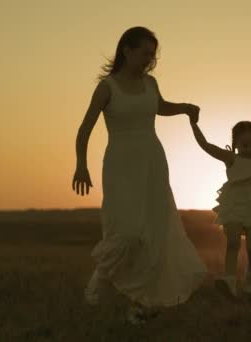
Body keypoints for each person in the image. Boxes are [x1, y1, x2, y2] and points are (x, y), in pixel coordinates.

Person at [72, 26, 207, 325]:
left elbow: (160, 107)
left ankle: (141, 302)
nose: (149, 59)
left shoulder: (151, 83)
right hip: (121, 164)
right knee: (126, 231)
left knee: (154, 232)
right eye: (144, 53)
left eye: (152, 54)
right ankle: (101, 279)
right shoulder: (107, 87)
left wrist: (185, 108)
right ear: (127, 50)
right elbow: (84, 130)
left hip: (153, 162)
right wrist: (81, 164)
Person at [189, 107, 251, 300]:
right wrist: (193, 123)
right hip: (233, 204)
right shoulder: (230, 158)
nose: (250, 148)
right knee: (232, 242)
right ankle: (229, 281)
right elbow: (206, 145)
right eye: (245, 144)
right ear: (236, 144)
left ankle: (249, 275)